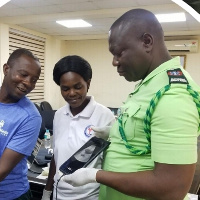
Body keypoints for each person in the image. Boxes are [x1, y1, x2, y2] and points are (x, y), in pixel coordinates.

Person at [61, 9, 200, 200]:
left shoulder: (173, 95)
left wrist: (95, 175)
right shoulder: (149, 84)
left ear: (147, 42)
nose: (114, 62)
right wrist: (114, 133)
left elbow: (172, 187)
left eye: (119, 53)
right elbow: (145, 133)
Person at [41, 55, 115, 200]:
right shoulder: (59, 115)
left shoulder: (104, 116)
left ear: (88, 83)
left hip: (90, 196)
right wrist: (47, 191)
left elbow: (111, 163)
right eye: (65, 89)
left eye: (78, 87)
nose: (72, 93)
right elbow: (56, 157)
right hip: (58, 194)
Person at [0, 48, 42, 199]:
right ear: (6, 69)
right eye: (23, 74)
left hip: (10, 196)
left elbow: (2, 170)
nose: (27, 83)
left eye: (34, 79)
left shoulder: (30, 117)